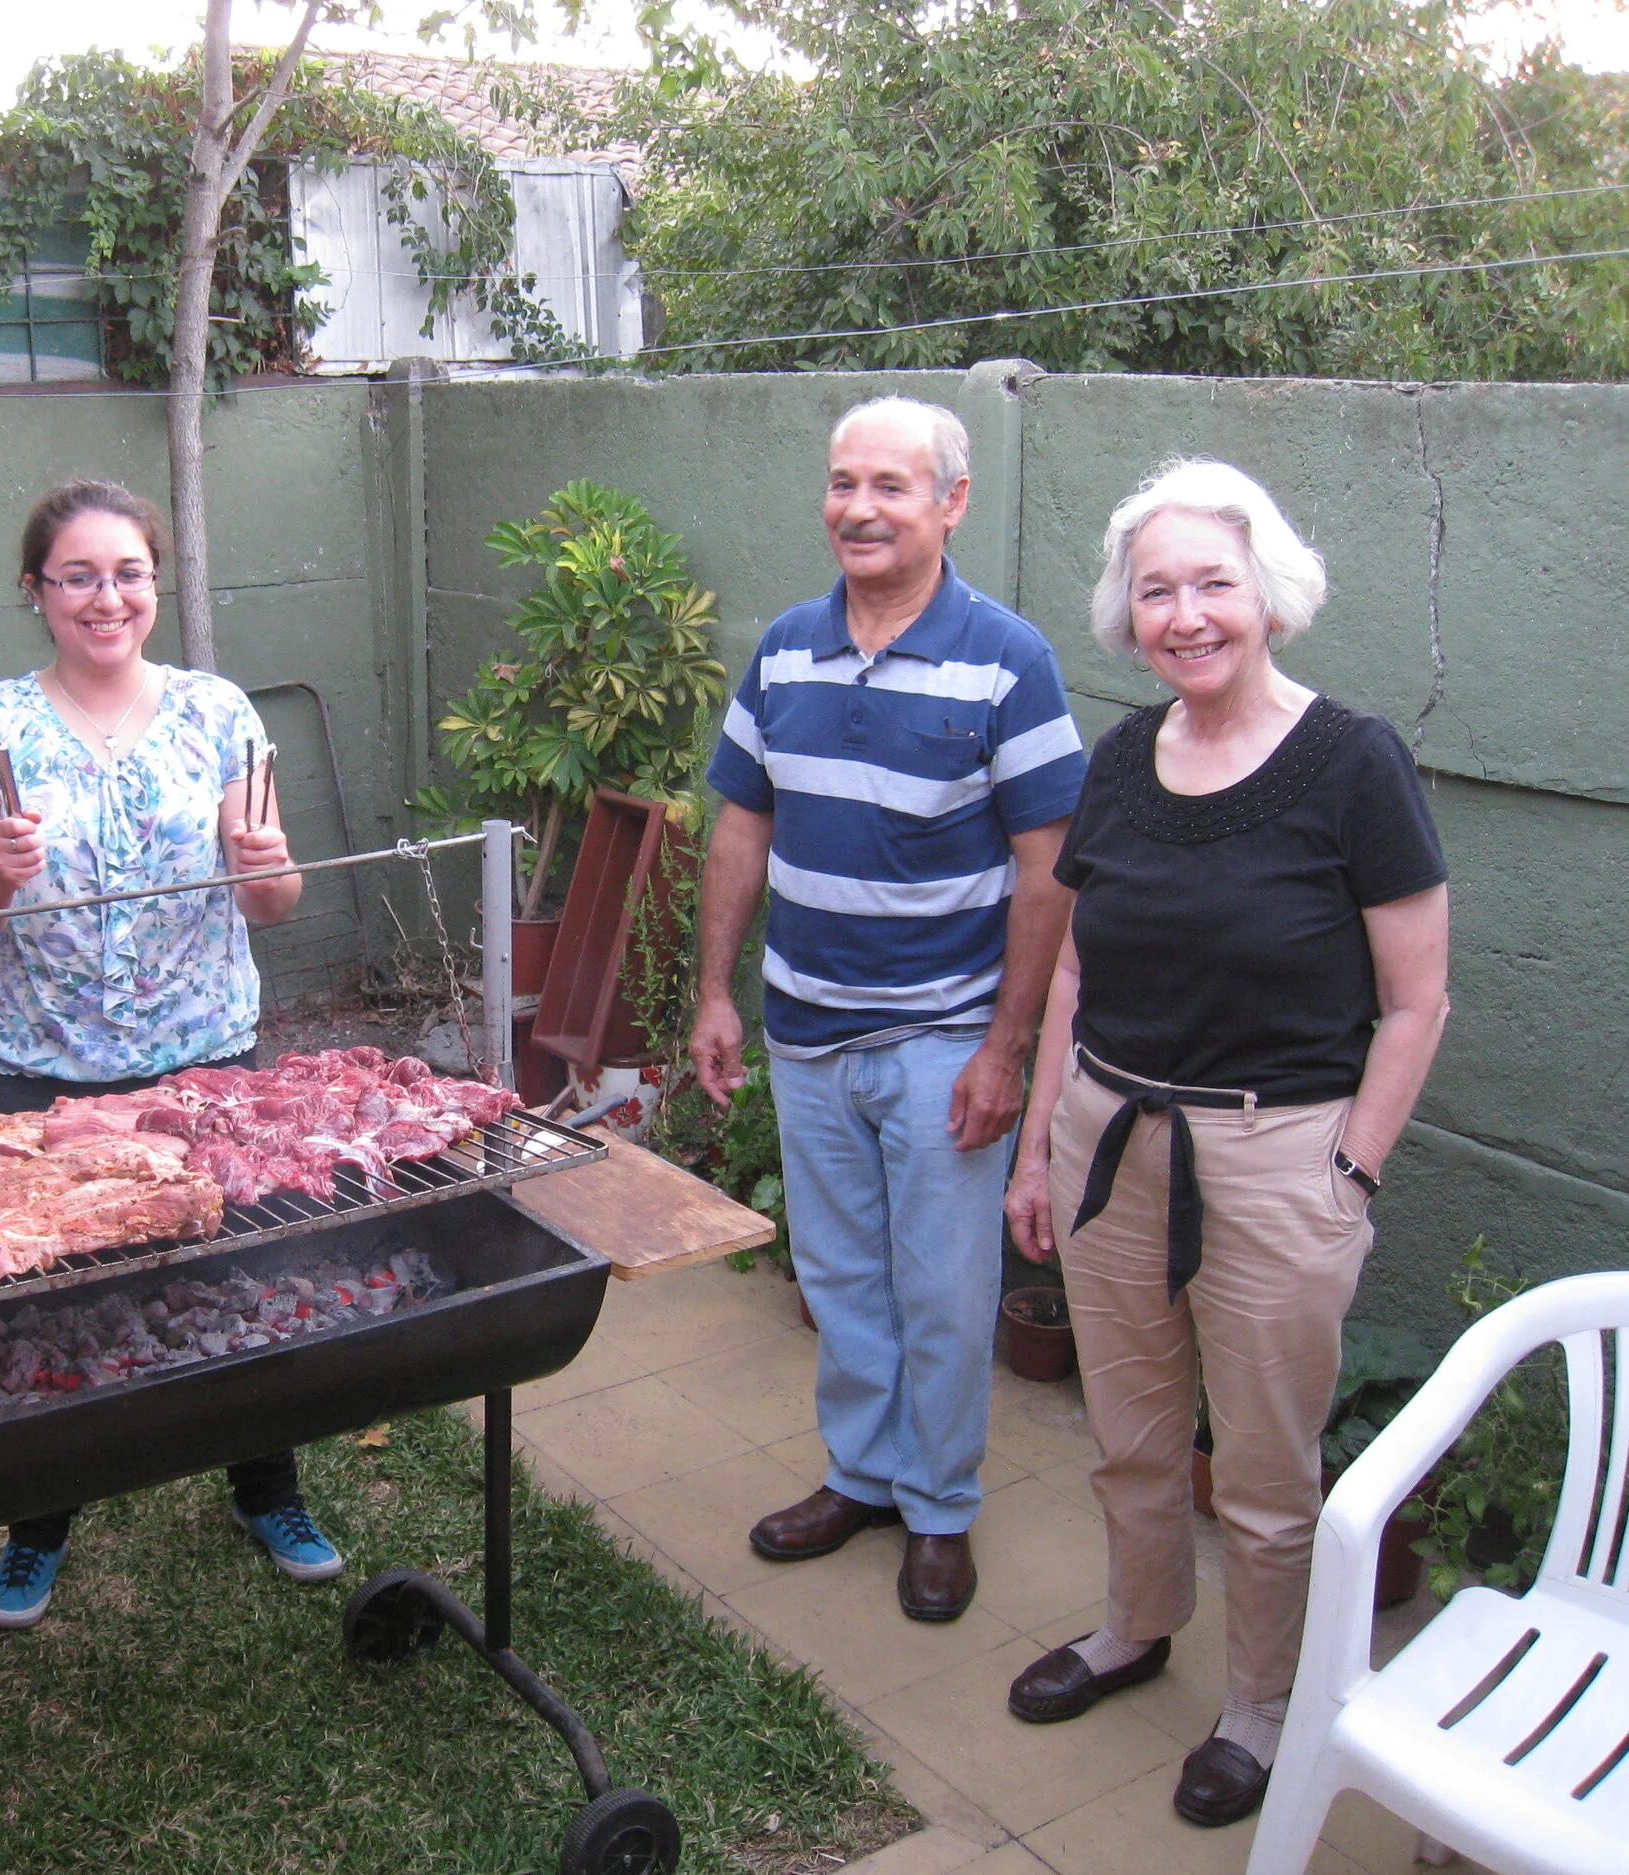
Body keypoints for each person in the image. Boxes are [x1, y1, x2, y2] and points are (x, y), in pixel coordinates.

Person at [1000, 460, 1450, 1828]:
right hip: (1108, 1136)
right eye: (1157, 590)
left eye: (1213, 582)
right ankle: (1137, 1624)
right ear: (1128, 615)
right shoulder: (1124, 758)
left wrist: (1349, 1173)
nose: (1185, 614)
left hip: (1276, 1158)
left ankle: (1263, 1700)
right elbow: (1073, 974)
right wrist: (1036, 1151)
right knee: (1130, 1429)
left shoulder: (1353, 762)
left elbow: (1418, 1000)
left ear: (1269, 594)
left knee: (1262, 1467)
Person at [690, 397, 1087, 1622]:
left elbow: (1046, 870)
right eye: (842, 482)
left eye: (891, 487)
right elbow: (741, 826)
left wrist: (1005, 1052)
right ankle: (861, 1476)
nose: (858, 508)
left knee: (944, 1290)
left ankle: (940, 1510)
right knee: (842, 1275)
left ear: (950, 504)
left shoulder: (1007, 660)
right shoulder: (785, 650)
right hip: (806, 1031)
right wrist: (713, 991)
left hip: (941, 1042)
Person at [0, 477, 340, 1629]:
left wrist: (264, 865)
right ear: (36, 591)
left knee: (238, 1284)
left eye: (127, 574)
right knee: (51, 1307)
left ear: (154, 585)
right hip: (40, 1065)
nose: (105, 597)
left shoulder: (220, 715)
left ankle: (269, 1490)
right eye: (77, 576)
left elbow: (277, 899)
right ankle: (38, 1525)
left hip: (204, 1054)